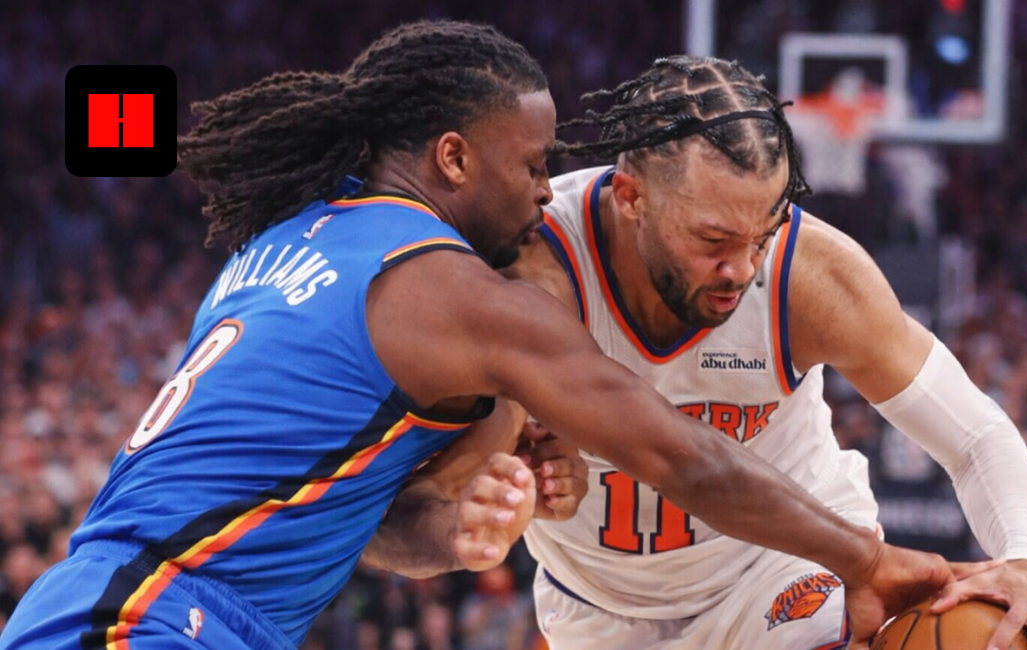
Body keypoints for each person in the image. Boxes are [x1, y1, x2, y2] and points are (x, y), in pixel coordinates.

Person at [1, 23, 955, 650]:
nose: (547, 191)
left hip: (106, 604)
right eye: (533, 163)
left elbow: (337, 513)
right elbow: (680, 454)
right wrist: (868, 561)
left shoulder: (288, 240)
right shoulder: (443, 285)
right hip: (156, 622)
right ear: (452, 157)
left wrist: (451, 533)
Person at [501, 56, 1027, 650]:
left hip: (791, 566)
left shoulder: (810, 276)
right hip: (600, 607)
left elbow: (974, 435)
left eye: (763, 233)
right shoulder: (534, 270)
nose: (742, 269)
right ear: (630, 196)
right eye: (713, 240)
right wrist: (505, 474)